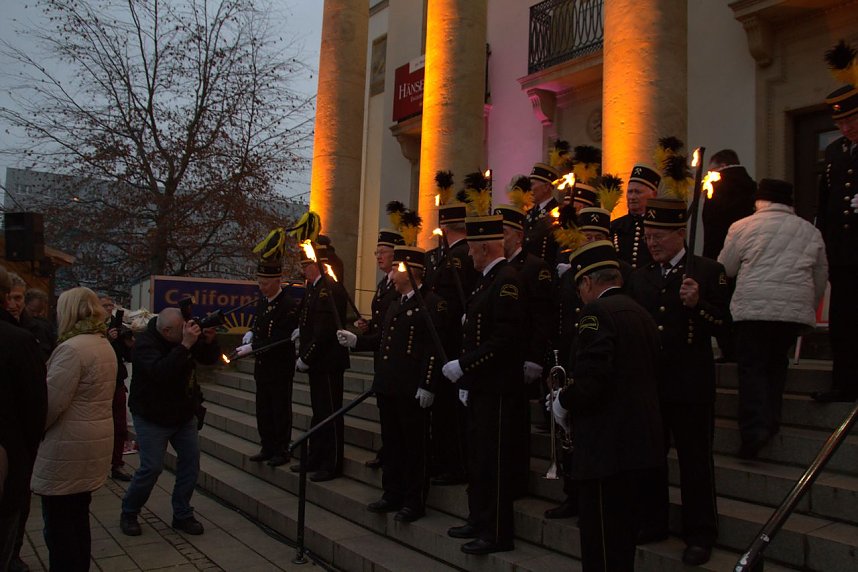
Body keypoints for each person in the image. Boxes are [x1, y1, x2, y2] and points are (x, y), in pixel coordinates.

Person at [550, 241, 663, 572]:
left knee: (600, 542)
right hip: (639, 446)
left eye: (579, 287)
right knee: (622, 540)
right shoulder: (640, 311)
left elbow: (592, 381)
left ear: (586, 283)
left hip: (605, 448)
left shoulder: (596, 313)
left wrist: (562, 400)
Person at [629, 198, 730, 566]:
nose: (652, 242)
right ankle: (653, 522)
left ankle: (700, 532)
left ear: (679, 233)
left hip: (690, 385)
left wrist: (698, 305)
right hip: (653, 385)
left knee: (694, 462)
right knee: (651, 458)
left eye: (658, 236)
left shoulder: (707, 270)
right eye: (647, 235)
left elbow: (726, 327)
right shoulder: (640, 276)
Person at [337, 243, 446, 523]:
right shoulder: (395, 303)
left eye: (397, 267)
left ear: (411, 272)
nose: (391, 272)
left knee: (414, 446)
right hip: (388, 385)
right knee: (393, 443)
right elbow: (383, 340)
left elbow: (433, 348)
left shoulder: (431, 303)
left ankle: (414, 500)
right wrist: (357, 342)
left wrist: (428, 383)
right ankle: (392, 493)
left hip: (411, 389)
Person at [719, 179, 827, 458]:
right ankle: (772, 421)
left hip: (752, 309)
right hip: (791, 314)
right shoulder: (810, 231)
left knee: (751, 368)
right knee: (776, 365)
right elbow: (820, 276)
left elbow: (726, 268)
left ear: (759, 200)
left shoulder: (742, 226)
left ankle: (753, 433)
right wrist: (806, 307)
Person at [443, 213, 524, 555]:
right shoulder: (485, 281)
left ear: (487, 247)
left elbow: (504, 339)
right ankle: (478, 518)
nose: (469, 256)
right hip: (481, 385)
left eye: (474, 249)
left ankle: (496, 532)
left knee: (495, 463)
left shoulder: (506, 280)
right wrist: (468, 377)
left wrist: (465, 365)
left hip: (498, 388)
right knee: (478, 458)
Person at [30, 287, 117, 571]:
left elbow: (51, 404)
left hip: (67, 448)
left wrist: (31, 432)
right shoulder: (102, 343)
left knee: (59, 527)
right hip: (93, 443)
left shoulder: (72, 348)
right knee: (78, 518)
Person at [120, 307, 220, 537]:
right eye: (180, 330)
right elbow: (160, 372)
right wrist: (185, 345)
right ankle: (129, 511)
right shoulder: (145, 345)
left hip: (183, 414)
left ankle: (182, 514)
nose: (186, 331)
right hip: (151, 415)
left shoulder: (180, 336)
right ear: (166, 331)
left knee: (190, 464)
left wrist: (209, 341)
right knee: (151, 467)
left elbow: (207, 359)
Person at [495, 204, 553, 498]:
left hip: (521, 356)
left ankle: (517, 481)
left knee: (516, 425)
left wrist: (535, 357)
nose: (498, 239)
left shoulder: (534, 267)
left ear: (518, 235)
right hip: (501, 359)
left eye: (503, 233)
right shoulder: (499, 269)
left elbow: (542, 317)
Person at [424, 187, 477, 486]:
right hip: (453, 340)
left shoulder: (456, 258)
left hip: (449, 341)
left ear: (445, 227)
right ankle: (446, 462)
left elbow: (446, 302)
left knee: (448, 412)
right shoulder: (460, 255)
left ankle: (451, 465)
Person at [235, 229, 299, 467]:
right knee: (263, 409)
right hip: (263, 367)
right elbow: (260, 324)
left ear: (277, 281)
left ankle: (281, 449)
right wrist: (251, 331)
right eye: (259, 283)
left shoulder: (288, 305)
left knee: (279, 410)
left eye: (265, 283)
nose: (261, 287)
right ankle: (267, 446)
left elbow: (280, 337)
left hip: (279, 367)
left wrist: (253, 346)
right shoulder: (264, 302)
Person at [812, 81, 858, 402]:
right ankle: (843, 383)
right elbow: (825, 203)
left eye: (852, 120)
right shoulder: (834, 152)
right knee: (843, 322)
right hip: (842, 254)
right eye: (841, 122)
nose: (846, 127)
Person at [0, 266, 47, 572]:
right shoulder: (16, 341)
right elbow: (35, 410)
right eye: (11, 296)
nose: (14, 303)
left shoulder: (26, 335)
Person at [290, 243, 350, 483]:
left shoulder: (328, 289)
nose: (303, 269)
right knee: (319, 412)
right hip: (319, 362)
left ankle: (331, 462)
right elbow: (307, 321)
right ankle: (316, 456)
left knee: (330, 413)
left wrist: (307, 356)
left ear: (316, 265)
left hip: (327, 362)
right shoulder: (314, 288)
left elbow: (324, 331)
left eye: (306, 265)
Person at [356, 218, 406, 471]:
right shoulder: (382, 284)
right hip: (381, 354)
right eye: (377, 252)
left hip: (394, 359)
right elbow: (381, 321)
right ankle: (387, 451)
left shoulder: (400, 285)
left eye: (383, 252)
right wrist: (368, 326)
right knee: (384, 410)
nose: (378, 256)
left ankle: (391, 454)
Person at [99, 294, 135, 482]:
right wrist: (107, 338)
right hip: (98, 382)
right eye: (104, 305)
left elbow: (127, 356)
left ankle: (116, 464)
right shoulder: (92, 325)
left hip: (117, 380)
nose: (108, 309)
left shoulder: (118, 324)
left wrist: (128, 344)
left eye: (110, 305)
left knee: (119, 425)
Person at [702, 149, 756, 260]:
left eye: (712, 170)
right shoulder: (752, 187)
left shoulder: (715, 188)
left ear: (723, 166)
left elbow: (711, 229)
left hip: (721, 253)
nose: (709, 175)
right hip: (748, 252)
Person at [610, 164, 661, 269]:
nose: (632, 197)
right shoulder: (615, 226)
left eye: (638, 192)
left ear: (654, 195)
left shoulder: (661, 226)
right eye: (630, 192)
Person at [523, 162, 562, 266]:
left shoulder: (558, 212)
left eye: (532, 184)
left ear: (546, 187)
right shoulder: (529, 213)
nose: (529, 189)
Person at [24, 288, 57, 362]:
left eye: (39, 311)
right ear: (24, 304)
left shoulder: (46, 325)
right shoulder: (18, 323)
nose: (35, 314)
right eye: (32, 310)